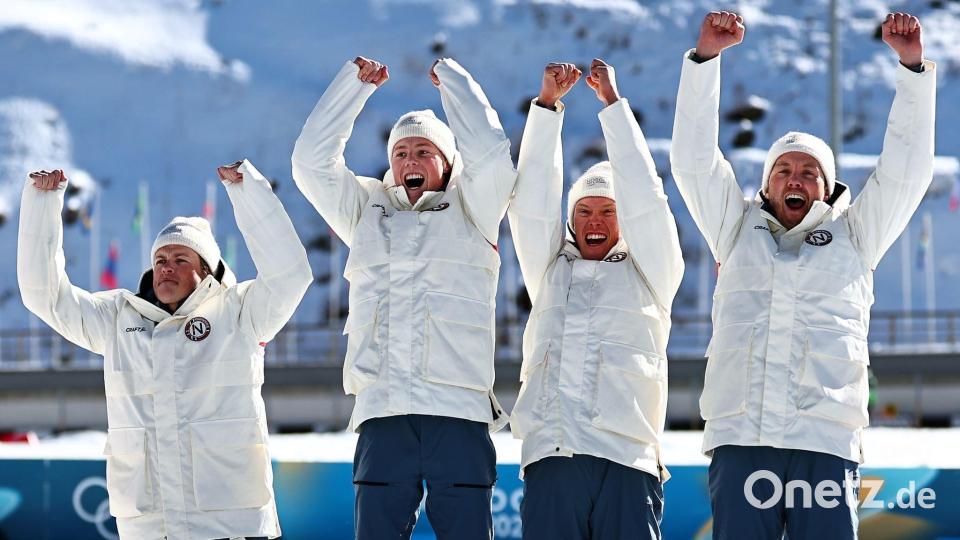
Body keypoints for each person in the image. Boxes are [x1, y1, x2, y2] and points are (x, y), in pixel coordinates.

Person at [670, 10, 936, 539]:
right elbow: (694, 161)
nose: (796, 179)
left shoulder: (858, 233)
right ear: (767, 183)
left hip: (825, 442)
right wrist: (705, 61)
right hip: (741, 438)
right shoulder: (734, 227)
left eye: (809, 172)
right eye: (784, 170)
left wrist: (911, 70)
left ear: (828, 185)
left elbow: (906, 171)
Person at [18, 161, 313, 540]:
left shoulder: (241, 312)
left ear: (207, 271)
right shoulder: (116, 320)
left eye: (180, 259)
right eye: (160, 260)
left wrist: (250, 194)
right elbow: (44, 296)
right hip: (150, 526)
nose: (166, 268)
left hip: (230, 525)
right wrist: (42, 206)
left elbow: (291, 275)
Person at [291, 56, 516, 539]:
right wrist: (352, 87)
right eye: (401, 153)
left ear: (448, 162)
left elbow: (493, 156)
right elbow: (310, 163)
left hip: (457, 412)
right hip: (383, 411)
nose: (410, 162)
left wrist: (455, 83)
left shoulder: (476, 207)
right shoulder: (365, 210)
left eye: (423, 151)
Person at [508, 59, 684, 540]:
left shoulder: (651, 273)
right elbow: (532, 202)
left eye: (609, 211)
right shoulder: (548, 270)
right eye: (583, 211)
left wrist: (613, 107)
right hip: (554, 456)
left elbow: (647, 198)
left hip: (627, 460)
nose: (595, 222)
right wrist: (546, 109)